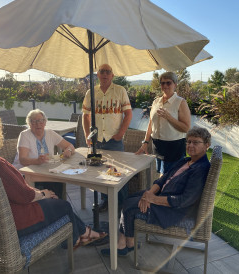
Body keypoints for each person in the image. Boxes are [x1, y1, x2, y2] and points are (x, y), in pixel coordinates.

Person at [0, 110, 107, 249]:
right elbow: (24, 195)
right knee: (64, 206)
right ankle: (79, 237)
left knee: (54, 199)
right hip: (15, 221)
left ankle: (83, 233)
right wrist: (44, 194)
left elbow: (15, 189)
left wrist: (39, 192)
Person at [101, 126, 211, 256]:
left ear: (207, 145)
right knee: (129, 199)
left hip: (175, 212)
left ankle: (127, 244)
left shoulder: (201, 169)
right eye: (188, 142)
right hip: (163, 196)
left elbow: (184, 201)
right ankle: (126, 243)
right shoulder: (186, 161)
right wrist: (149, 193)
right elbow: (163, 179)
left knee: (129, 207)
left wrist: (152, 199)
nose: (190, 145)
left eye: (196, 142)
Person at [82, 63, 133, 211]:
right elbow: (85, 116)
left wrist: (120, 134)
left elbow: (128, 114)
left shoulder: (120, 90)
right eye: (102, 71)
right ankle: (105, 203)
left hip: (113, 140)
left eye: (108, 72)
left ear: (112, 75)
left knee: (120, 172)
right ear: (97, 74)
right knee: (99, 172)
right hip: (96, 140)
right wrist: (87, 135)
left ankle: (122, 206)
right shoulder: (90, 93)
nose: (104, 74)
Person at [136, 71, 191, 175]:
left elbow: (186, 128)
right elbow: (151, 123)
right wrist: (145, 142)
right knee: (161, 176)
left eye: (168, 83)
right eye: (162, 83)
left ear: (175, 84)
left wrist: (169, 117)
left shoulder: (180, 102)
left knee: (168, 181)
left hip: (173, 148)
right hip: (157, 146)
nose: (165, 85)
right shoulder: (156, 102)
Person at [12, 109, 75, 199]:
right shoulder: (25, 135)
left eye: (41, 121)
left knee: (59, 179)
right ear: (29, 124)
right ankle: (48, 205)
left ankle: (58, 203)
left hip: (47, 170)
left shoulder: (50, 133)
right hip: (28, 172)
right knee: (52, 183)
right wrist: (37, 161)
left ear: (45, 122)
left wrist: (68, 150)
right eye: (34, 122)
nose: (38, 124)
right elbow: (22, 160)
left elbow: (70, 145)